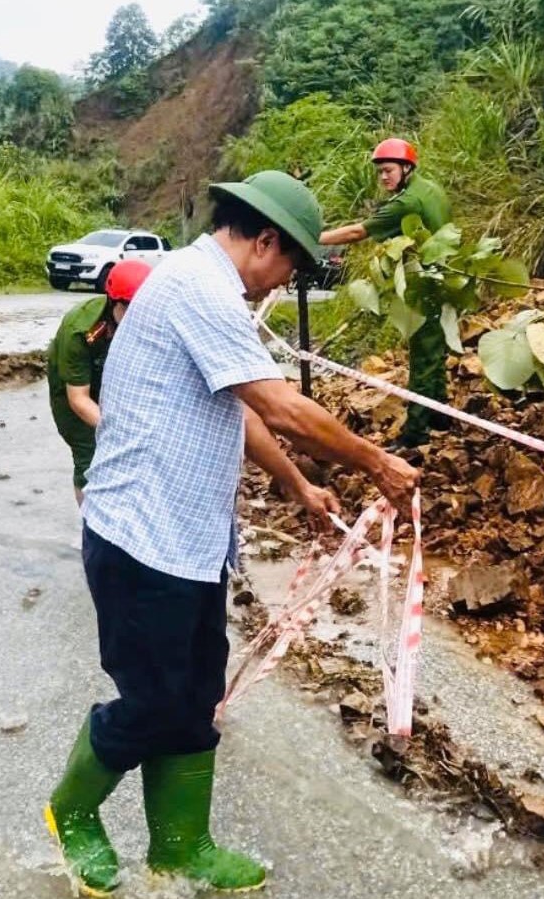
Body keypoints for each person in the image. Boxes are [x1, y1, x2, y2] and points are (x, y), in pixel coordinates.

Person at [44, 170, 420, 895]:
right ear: (265, 242)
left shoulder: (202, 289)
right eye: (291, 266)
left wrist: (296, 483)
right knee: (152, 699)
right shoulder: (197, 287)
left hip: (190, 540)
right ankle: (73, 809)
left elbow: (244, 411)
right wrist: (375, 461)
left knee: (194, 697)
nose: (283, 280)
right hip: (139, 537)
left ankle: (181, 844)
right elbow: (279, 405)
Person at [320, 138, 453, 447]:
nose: (383, 178)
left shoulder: (406, 202)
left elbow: (357, 232)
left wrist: (311, 236)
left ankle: (415, 435)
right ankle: (441, 417)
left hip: (426, 284)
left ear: (406, 168)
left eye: (389, 170)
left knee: (423, 358)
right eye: (379, 172)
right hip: (444, 277)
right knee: (435, 350)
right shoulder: (430, 188)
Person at [46, 259, 152, 505]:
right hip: (74, 389)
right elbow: (79, 399)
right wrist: (117, 428)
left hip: (110, 377)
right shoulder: (81, 330)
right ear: (115, 302)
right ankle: (91, 531)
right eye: (131, 309)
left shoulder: (144, 319)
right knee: (90, 456)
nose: (139, 318)